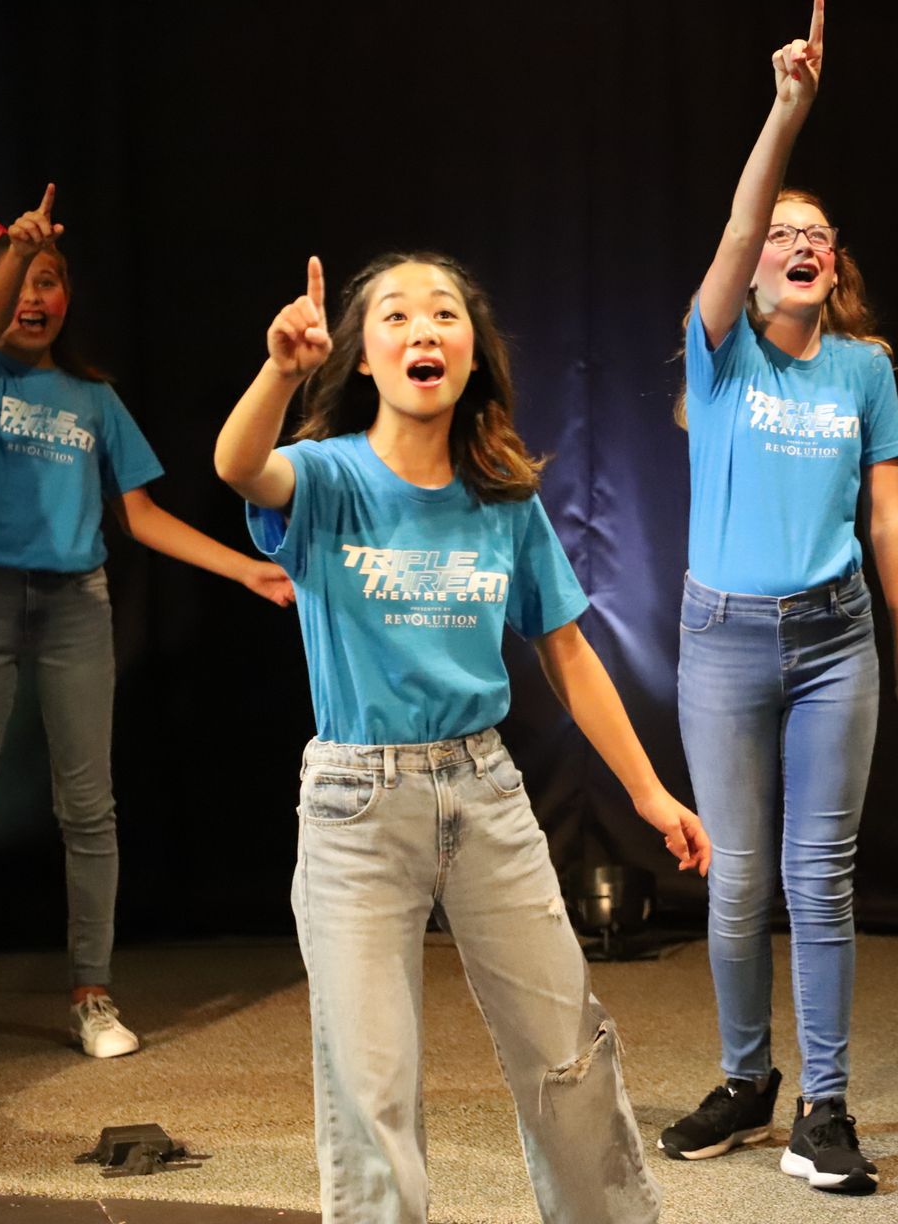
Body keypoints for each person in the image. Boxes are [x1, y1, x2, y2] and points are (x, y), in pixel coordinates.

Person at [214, 251, 709, 1224]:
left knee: (567, 1052)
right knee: (374, 1089)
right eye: (394, 314)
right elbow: (239, 465)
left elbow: (568, 654)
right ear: (361, 353)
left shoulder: (504, 497)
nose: (422, 329)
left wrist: (650, 792)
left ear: (473, 354)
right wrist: (279, 368)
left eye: (444, 313)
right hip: (359, 804)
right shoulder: (327, 478)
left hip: (486, 792)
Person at [657, 0, 898, 1195]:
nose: (802, 242)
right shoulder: (720, 348)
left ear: (836, 267)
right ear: (755, 268)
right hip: (724, 641)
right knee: (740, 877)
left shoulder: (864, 370)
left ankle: (828, 1107)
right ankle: (748, 1080)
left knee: (821, 876)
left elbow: (888, 518)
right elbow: (747, 212)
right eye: (783, 234)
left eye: (822, 235)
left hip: (837, 641)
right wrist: (787, 112)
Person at [0, 186, 294, 1059]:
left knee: (89, 808)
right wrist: (10, 256)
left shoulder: (92, 398)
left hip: (76, 604)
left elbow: (141, 516)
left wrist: (245, 567)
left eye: (51, 282)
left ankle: (92, 991)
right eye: (21, 281)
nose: (36, 299)